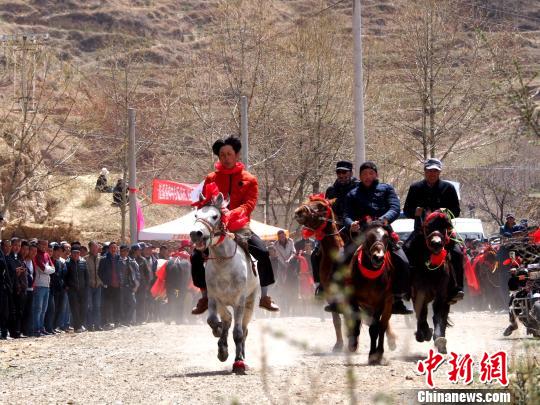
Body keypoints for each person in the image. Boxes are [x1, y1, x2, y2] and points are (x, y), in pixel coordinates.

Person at [191, 136, 279, 314]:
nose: (225, 157)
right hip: (215, 228)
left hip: (240, 226)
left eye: (229, 154)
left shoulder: (250, 179)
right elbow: (206, 202)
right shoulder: (210, 178)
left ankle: (264, 296)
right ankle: (204, 296)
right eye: (222, 154)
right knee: (195, 256)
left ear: (237, 155)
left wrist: (231, 214)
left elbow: (249, 204)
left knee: (262, 252)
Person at [342, 161, 412, 315]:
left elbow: (394, 207)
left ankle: (398, 298)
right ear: (359, 176)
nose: (367, 176)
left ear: (376, 174)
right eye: (364, 174)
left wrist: (385, 219)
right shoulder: (352, 194)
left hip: (383, 233)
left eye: (371, 173)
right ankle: (340, 298)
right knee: (340, 259)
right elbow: (346, 215)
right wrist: (350, 224)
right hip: (360, 235)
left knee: (403, 261)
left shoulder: (386, 189)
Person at [403, 158, 464, 304]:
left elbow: (456, 210)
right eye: (429, 170)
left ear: (440, 172)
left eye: (435, 171)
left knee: (457, 253)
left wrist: (446, 212)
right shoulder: (415, 187)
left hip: (444, 232)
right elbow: (406, 210)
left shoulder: (448, 188)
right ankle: (405, 288)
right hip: (420, 232)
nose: (432, 173)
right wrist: (415, 212)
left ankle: (457, 288)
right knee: (405, 251)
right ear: (424, 171)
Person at [98, 241, 122, 328]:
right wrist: (105, 282)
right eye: (112, 248)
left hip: (117, 285)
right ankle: (106, 322)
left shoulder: (119, 258)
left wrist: (120, 281)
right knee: (106, 305)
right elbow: (100, 272)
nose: (113, 249)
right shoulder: (104, 259)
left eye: (115, 248)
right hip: (108, 286)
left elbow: (121, 271)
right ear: (108, 249)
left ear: (117, 249)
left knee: (117, 304)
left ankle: (117, 322)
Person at [65, 247, 88, 333]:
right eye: (74, 253)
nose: (76, 255)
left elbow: (86, 276)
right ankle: (77, 326)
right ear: (71, 254)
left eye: (78, 253)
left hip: (82, 289)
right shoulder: (67, 263)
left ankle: (81, 324)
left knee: (83, 307)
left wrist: (86, 287)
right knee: (75, 308)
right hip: (72, 289)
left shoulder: (83, 262)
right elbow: (65, 276)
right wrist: (66, 285)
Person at [86, 241, 103, 331]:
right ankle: (89, 325)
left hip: (98, 285)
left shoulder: (101, 258)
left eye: (96, 247)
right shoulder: (85, 259)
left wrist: (102, 282)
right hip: (89, 286)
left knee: (97, 306)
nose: (95, 249)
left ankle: (97, 325)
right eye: (93, 247)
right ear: (90, 248)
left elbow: (103, 271)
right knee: (89, 306)